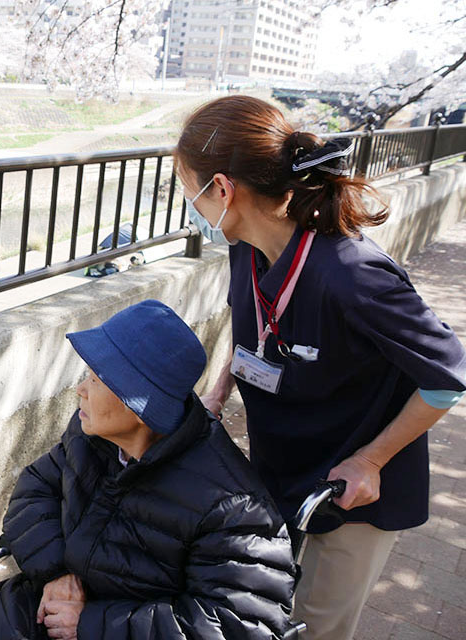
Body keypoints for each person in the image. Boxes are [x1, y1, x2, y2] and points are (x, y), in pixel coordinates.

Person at [174, 95, 466, 640]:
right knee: (268, 609)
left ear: (222, 189)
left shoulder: (352, 275)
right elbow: (251, 331)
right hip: (280, 465)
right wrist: (216, 396)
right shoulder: (246, 246)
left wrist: (369, 460)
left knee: (316, 626)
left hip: (352, 490)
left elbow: (447, 378)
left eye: (188, 187)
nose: (190, 202)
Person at [0, 300, 297, 640]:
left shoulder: (234, 508)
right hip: (32, 616)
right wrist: (56, 572)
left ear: (139, 405)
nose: (80, 389)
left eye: (95, 378)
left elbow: (235, 625)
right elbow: (34, 489)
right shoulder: (91, 435)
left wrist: (92, 625)